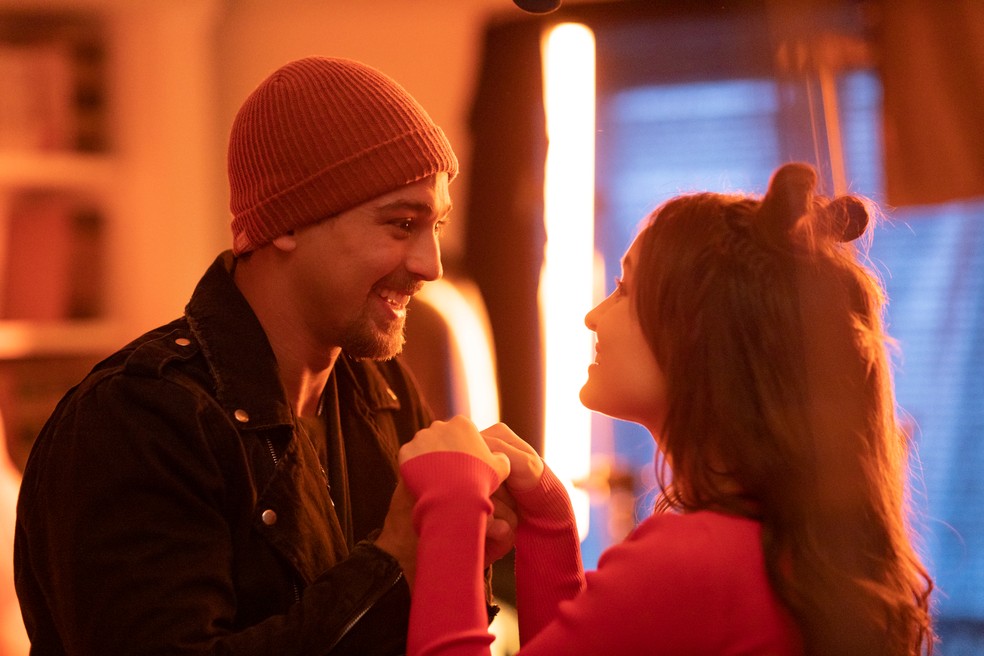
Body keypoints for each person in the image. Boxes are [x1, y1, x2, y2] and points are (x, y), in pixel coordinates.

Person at [14, 56, 513, 655]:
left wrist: (465, 552)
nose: (430, 265)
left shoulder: (384, 391)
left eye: (436, 226)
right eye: (401, 224)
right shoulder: (136, 419)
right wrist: (395, 557)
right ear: (288, 223)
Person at [382, 163, 937, 655]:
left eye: (625, 289)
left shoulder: (694, 560)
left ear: (697, 337)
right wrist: (549, 523)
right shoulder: (769, 545)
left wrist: (452, 506)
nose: (594, 316)